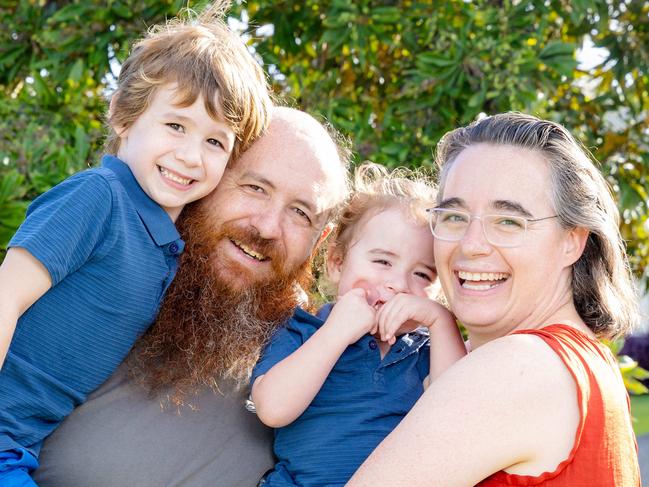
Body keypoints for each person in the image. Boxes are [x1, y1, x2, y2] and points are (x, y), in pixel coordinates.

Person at [0, 3, 270, 485]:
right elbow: (6, 293)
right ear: (124, 117)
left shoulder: (167, 243)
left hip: (22, 443)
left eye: (215, 142)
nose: (190, 156)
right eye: (176, 126)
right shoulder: (99, 198)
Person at [32, 106, 350, 487]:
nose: (267, 227)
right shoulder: (98, 274)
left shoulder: (320, 359)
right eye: (254, 188)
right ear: (205, 177)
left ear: (320, 243)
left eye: (300, 213)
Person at [347, 112, 641, 486]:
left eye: (508, 221)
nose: (471, 245)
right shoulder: (580, 360)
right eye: (454, 216)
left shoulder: (516, 367)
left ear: (572, 241)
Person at [250, 163, 466, 486]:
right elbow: (272, 409)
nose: (398, 284)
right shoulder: (303, 331)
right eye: (382, 261)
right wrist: (336, 332)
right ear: (337, 263)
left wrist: (440, 319)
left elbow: (458, 415)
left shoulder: (426, 352)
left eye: (423, 274)